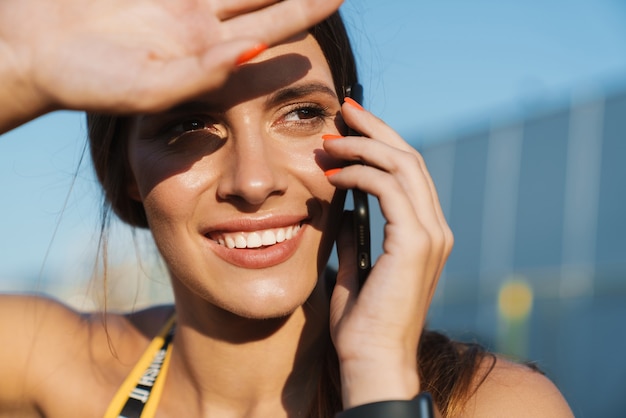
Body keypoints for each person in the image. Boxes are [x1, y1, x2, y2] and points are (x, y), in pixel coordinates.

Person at [0, 1, 574, 417]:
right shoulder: (49, 366)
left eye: (300, 114)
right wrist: (18, 63)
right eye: (188, 126)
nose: (253, 181)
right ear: (122, 172)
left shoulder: (494, 406)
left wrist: (380, 384)